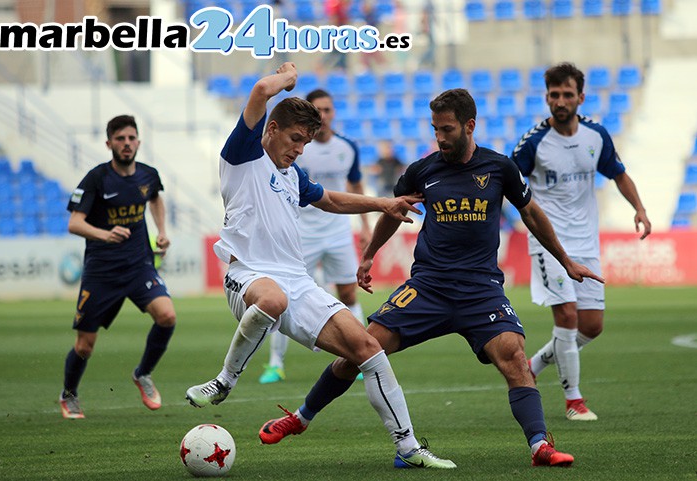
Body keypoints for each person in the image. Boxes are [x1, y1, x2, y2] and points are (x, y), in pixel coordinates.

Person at [256, 88, 605, 467]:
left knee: (515, 358)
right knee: (361, 348)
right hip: (429, 288)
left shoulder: (500, 168)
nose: (440, 137)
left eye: (448, 129)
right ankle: (300, 417)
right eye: (436, 129)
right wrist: (370, 254)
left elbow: (532, 214)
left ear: (469, 126)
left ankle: (539, 446)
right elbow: (394, 212)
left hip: (481, 290)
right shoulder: (423, 171)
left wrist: (566, 261)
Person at [185, 63, 455, 469]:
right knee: (272, 299)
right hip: (247, 276)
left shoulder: (292, 175)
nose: (299, 148)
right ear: (272, 129)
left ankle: (408, 447)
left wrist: (384, 203)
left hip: (298, 282)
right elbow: (260, 90)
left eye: (306, 142)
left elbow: (330, 199)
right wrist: (287, 79)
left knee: (368, 348)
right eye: (295, 138)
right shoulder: (243, 156)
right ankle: (224, 381)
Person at [511, 62, 651, 421]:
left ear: (580, 97)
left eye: (567, 94)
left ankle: (533, 365)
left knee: (591, 326)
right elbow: (507, 182)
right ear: (547, 98)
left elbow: (618, 174)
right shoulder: (533, 142)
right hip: (548, 241)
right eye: (554, 95)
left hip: (586, 241)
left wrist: (639, 208)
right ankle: (574, 401)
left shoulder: (596, 136)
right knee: (568, 317)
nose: (560, 101)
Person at [59, 115, 176, 419]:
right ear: (109, 143)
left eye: (131, 138)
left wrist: (161, 230)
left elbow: (155, 199)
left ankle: (143, 374)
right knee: (85, 346)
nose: (127, 144)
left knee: (167, 316)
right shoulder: (97, 178)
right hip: (102, 273)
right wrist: (105, 234)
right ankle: (69, 394)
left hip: (139, 266)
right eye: (120, 139)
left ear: (138, 141)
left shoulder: (148, 175)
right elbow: (74, 223)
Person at [259, 88, 371, 384]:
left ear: (334, 112)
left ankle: (357, 357)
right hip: (301, 233)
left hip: (337, 231)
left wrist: (366, 226)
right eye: (318, 110)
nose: (324, 115)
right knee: (282, 298)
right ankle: (275, 364)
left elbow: (354, 187)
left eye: (328, 109)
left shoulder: (347, 147)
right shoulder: (292, 147)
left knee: (348, 293)